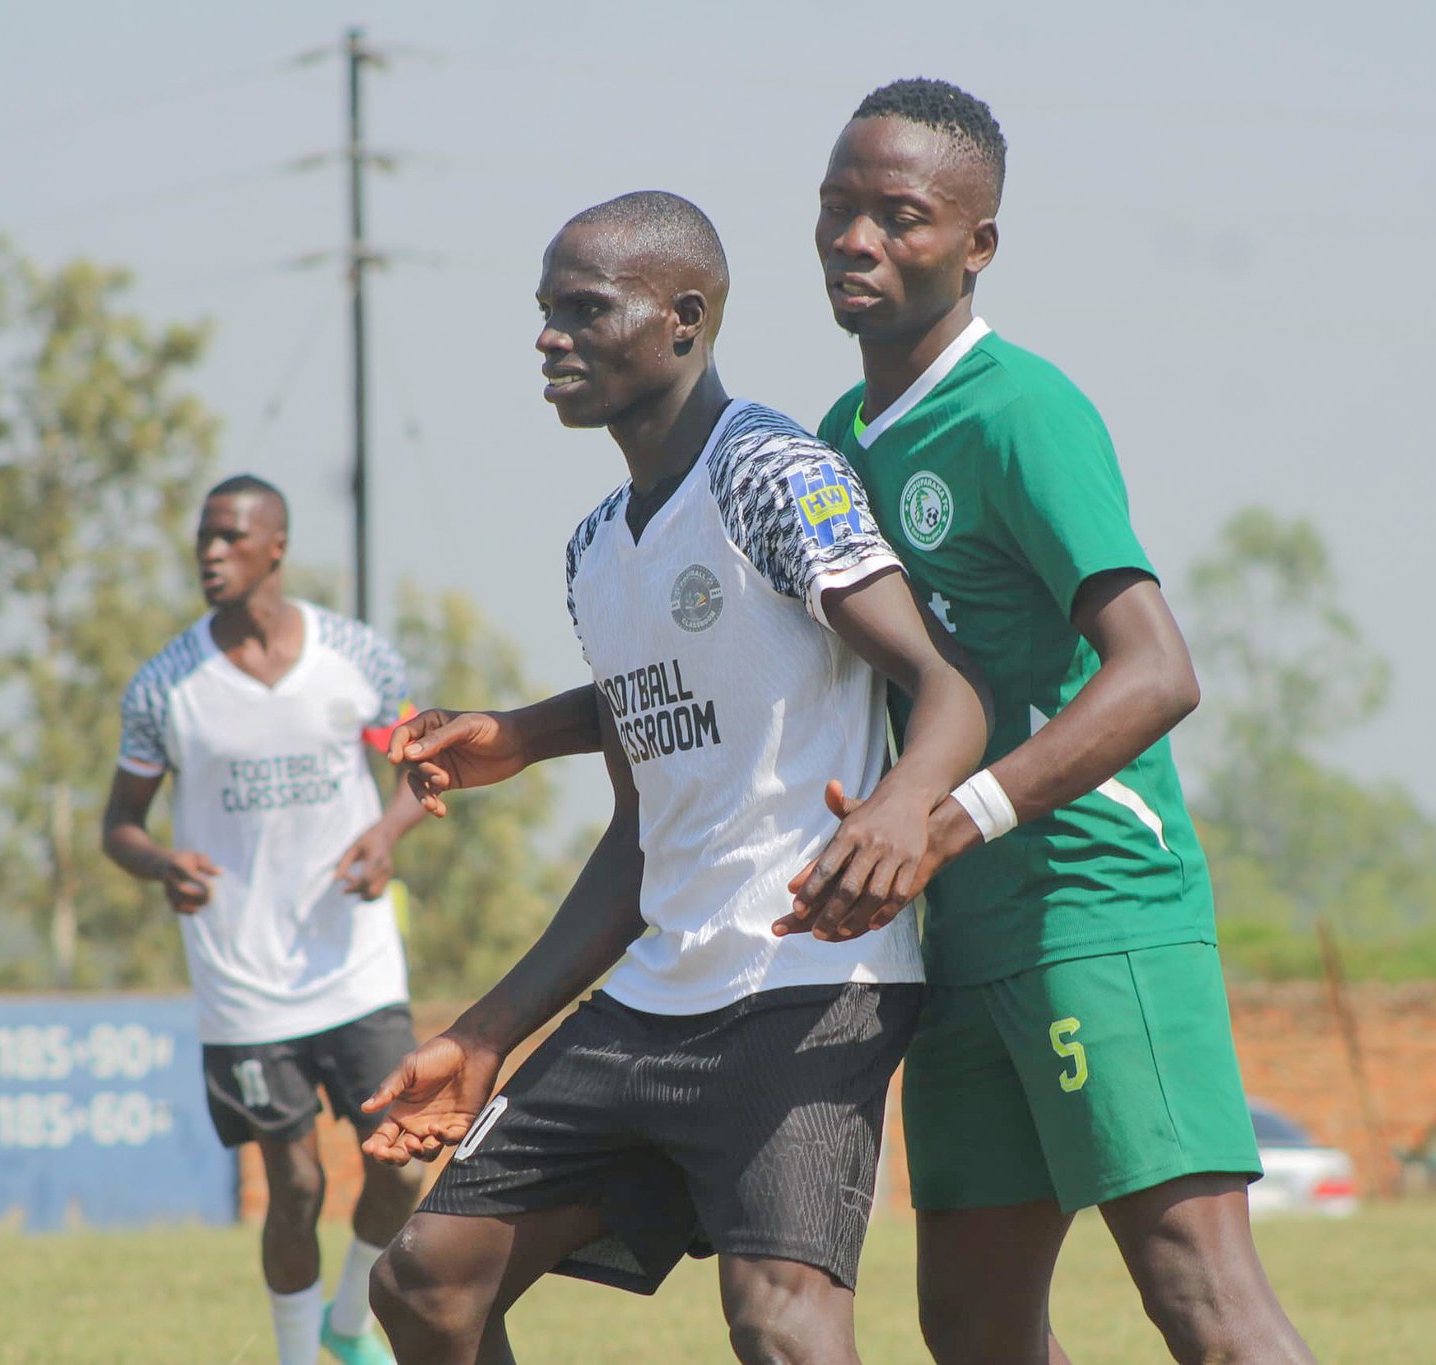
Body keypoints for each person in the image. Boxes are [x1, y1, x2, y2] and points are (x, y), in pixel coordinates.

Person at [383, 81, 1318, 1365]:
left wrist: (942, 814)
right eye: (835, 211)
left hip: (1086, 907)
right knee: (972, 1329)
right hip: (931, 918)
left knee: (1197, 1296)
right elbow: (728, 689)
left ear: (976, 244)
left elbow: (1154, 672)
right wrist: (534, 732)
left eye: (900, 216)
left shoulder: (1017, 411)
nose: (855, 241)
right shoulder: (825, 444)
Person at [357, 190, 988, 1365]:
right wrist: (487, 1035)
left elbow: (946, 682)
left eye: (585, 310)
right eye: (544, 313)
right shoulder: (595, 547)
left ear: (683, 318)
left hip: (807, 984)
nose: (551, 338)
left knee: (780, 1326)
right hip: (656, 994)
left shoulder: (769, 471)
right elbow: (641, 831)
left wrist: (907, 805)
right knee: (426, 1284)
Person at [102, 474, 428, 1365]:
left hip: (355, 968)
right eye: (203, 536)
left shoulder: (355, 657)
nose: (210, 551)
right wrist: (162, 861)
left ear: (274, 546)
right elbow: (118, 825)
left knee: (400, 1162)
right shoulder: (166, 686)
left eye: (230, 536)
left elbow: (420, 770)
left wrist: (387, 832)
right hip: (243, 986)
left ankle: (350, 1322)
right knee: (294, 1183)